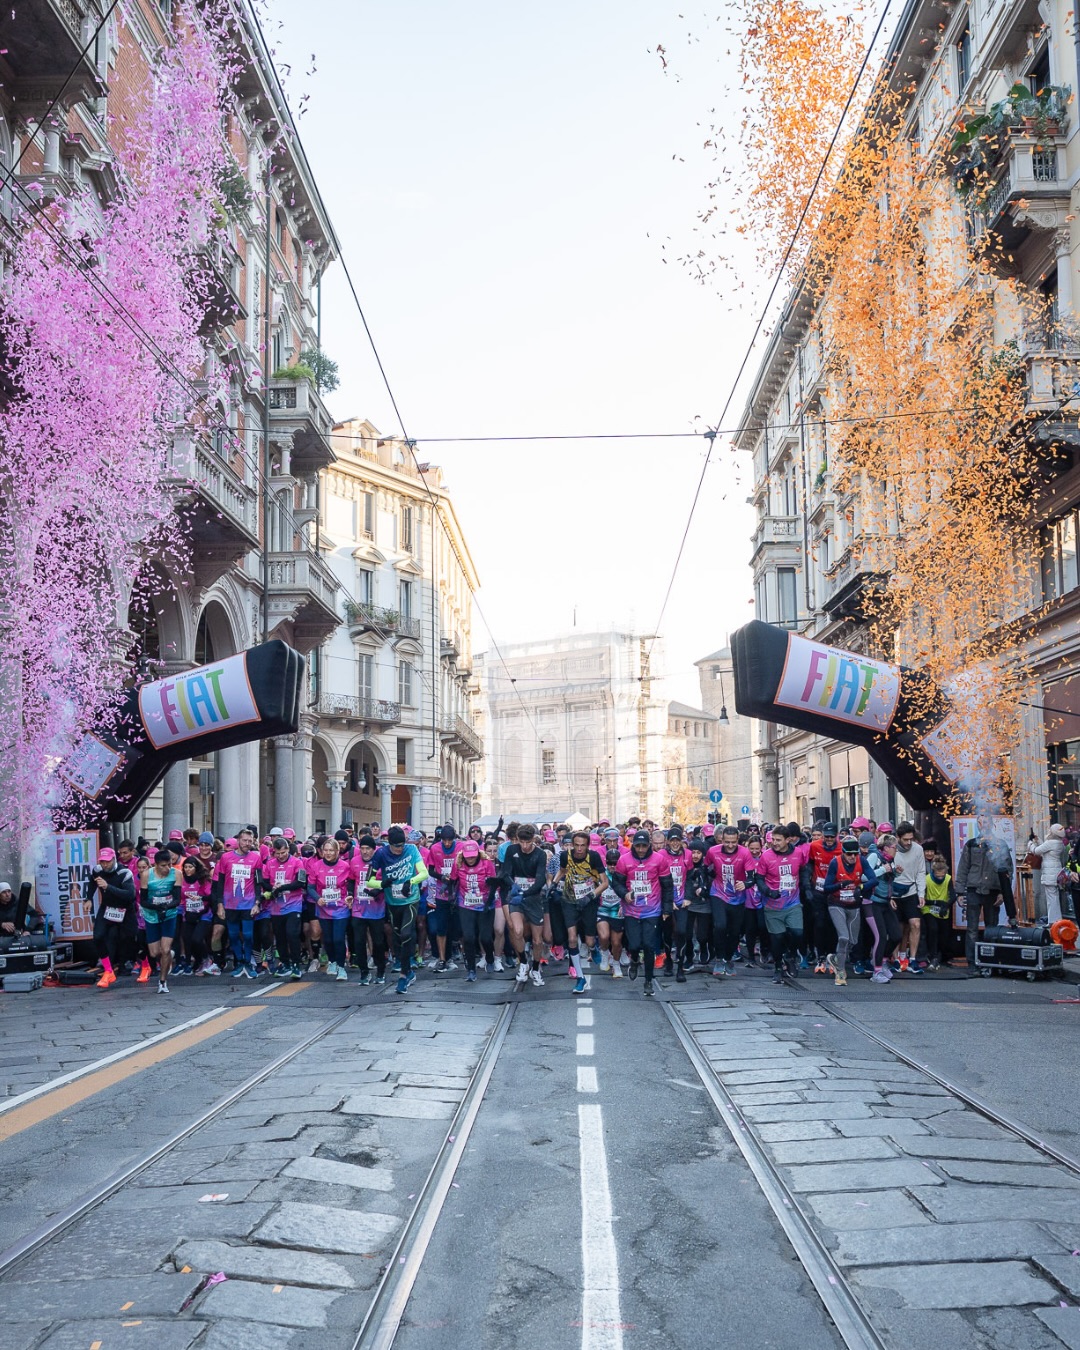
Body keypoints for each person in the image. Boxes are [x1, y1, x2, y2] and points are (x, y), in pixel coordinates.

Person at [368, 826, 430, 995]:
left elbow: (424, 873)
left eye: (402, 845)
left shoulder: (411, 850)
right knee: (398, 938)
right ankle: (408, 970)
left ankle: (403, 976)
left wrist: (410, 882)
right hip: (393, 902)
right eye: (396, 846)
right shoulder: (381, 854)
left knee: (406, 933)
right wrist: (382, 883)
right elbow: (369, 881)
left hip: (410, 899)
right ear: (389, 843)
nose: (399, 849)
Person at [612, 829, 673, 996]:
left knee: (648, 946)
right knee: (634, 945)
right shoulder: (624, 860)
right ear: (633, 845)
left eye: (644, 846)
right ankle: (634, 960)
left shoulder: (659, 860)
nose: (640, 849)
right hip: (631, 910)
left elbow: (667, 885)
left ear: (649, 845)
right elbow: (616, 883)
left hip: (652, 910)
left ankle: (648, 981)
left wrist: (667, 908)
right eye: (637, 846)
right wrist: (624, 894)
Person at [955, 812, 1011, 976]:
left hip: (993, 891)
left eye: (986, 822)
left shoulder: (1000, 844)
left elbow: (1007, 871)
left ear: (991, 824)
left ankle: (990, 962)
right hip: (973, 890)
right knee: (972, 929)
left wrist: (1003, 893)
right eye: (980, 823)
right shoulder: (971, 844)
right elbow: (963, 868)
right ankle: (973, 964)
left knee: (991, 929)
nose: (983, 825)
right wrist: (960, 892)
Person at [755, 825, 810, 984]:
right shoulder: (766, 856)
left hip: (792, 902)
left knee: (798, 933)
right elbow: (759, 878)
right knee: (777, 938)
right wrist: (768, 891)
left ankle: (790, 956)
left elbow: (804, 870)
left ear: (788, 840)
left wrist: (806, 887)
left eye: (778, 840)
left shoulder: (798, 853)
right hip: (773, 904)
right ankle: (778, 968)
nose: (774, 843)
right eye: (773, 839)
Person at [553, 830, 607, 994]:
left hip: (588, 901)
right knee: (571, 938)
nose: (579, 849)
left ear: (588, 846)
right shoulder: (565, 856)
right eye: (576, 845)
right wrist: (553, 884)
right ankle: (580, 977)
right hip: (569, 900)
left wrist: (591, 896)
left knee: (589, 941)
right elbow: (562, 871)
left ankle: (593, 948)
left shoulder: (594, 857)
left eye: (582, 846)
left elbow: (605, 883)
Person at [821, 836, 875, 986]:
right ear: (843, 853)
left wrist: (861, 887)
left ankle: (836, 958)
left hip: (854, 905)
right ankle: (840, 972)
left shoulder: (861, 861)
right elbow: (826, 888)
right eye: (849, 854)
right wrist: (840, 885)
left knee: (853, 941)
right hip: (836, 904)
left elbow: (873, 879)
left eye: (855, 854)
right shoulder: (835, 863)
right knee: (843, 937)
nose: (852, 857)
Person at [501, 823, 549, 987]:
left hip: (533, 898)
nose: (525, 846)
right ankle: (523, 962)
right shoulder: (511, 850)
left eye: (528, 842)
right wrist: (513, 886)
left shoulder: (540, 854)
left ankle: (535, 968)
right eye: (522, 842)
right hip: (516, 896)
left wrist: (525, 893)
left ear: (533, 840)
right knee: (517, 930)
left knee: (537, 940)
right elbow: (505, 873)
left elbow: (541, 879)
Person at [214, 827, 263, 978]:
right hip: (230, 903)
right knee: (233, 935)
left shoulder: (256, 858)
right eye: (244, 840)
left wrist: (257, 902)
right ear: (238, 840)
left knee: (248, 935)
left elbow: (258, 882)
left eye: (250, 841)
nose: (247, 843)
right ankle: (239, 962)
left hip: (248, 903)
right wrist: (220, 904)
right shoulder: (226, 858)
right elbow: (220, 883)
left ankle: (248, 962)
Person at [705, 826, 753, 977]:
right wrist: (705, 882)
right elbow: (705, 868)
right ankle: (719, 958)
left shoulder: (745, 853)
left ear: (738, 840)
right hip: (718, 893)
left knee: (734, 931)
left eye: (733, 842)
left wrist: (745, 884)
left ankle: (728, 958)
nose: (730, 845)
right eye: (727, 842)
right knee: (720, 926)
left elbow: (752, 877)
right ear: (721, 840)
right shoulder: (713, 851)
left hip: (738, 896)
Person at [452, 838, 498, 981]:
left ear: (478, 853)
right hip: (466, 904)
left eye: (473, 856)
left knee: (485, 937)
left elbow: (494, 884)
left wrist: (489, 902)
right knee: (468, 937)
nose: (470, 859)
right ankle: (471, 969)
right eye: (468, 857)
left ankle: (490, 957)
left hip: (485, 904)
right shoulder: (458, 863)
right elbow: (453, 880)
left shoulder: (487, 863)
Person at [89, 850, 136, 989]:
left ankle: (143, 964)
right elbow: (92, 882)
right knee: (98, 936)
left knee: (131, 938)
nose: (105, 864)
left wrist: (108, 887)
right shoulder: (97, 870)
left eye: (107, 861)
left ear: (114, 859)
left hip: (125, 909)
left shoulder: (124, 873)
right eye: (102, 861)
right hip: (107, 907)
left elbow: (130, 895)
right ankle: (108, 970)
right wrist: (88, 899)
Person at [311, 836, 354, 981]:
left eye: (331, 850)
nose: (328, 853)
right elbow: (310, 887)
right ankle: (333, 961)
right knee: (328, 940)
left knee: (338, 939)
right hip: (324, 908)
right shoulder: (316, 866)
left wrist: (349, 895)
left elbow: (351, 883)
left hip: (340, 908)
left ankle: (341, 967)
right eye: (326, 850)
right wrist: (317, 898)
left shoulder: (345, 866)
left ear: (337, 851)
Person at [264, 836, 306, 979]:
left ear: (288, 849)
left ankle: (296, 965)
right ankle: (285, 964)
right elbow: (264, 883)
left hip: (293, 904)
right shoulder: (270, 864)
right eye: (278, 853)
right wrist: (272, 888)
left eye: (283, 853)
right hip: (276, 907)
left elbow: (300, 882)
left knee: (292, 934)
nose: (281, 856)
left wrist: (282, 887)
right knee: (280, 936)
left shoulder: (297, 862)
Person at [350, 835, 386, 985]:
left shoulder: (381, 862)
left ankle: (380, 970)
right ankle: (364, 972)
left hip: (376, 909)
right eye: (362, 848)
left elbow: (387, 882)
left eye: (368, 849)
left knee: (378, 942)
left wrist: (377, 891)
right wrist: (350, 894)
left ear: (374, 849)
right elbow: (351, 880)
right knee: (359, 941)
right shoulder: (354, 861)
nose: (365, 852)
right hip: (358, 908)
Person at [142, 848, 180, 993]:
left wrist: (166, 907)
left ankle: (162, 982)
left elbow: (177, 899)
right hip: (151, 915)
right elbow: (143, 900)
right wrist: (156, 908)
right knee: (154, 953)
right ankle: (168, 957)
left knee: (165, 949)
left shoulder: (176, 874)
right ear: (156, 865)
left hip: (169, 914)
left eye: (169, 864)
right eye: (163, 866)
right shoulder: (147, 875)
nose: (167, 868)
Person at [426, 825, 463, 972]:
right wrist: (441, 877)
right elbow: (430, 870)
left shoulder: (460, 847)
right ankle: (442, 959)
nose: (447, 843)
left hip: (458, 891)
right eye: (444, 840)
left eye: (450, 840)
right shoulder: (435, 848)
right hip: (441, 893)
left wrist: (455, 879)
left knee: (455, 928)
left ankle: (453, 955)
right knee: (441, 928)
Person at [805, 823, 841, 975]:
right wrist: (808, 887)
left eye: (832, 837)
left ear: (836, 836)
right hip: (818, 891)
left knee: (832, 925)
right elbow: (809, 866)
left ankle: (831, 956)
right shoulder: (814, 846)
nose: (829, 840)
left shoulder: (841, 848)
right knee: (819, 924)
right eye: (826, 837)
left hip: (834, 892)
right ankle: (820, 957)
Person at [892, 822, 927, 973]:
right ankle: (896, 959)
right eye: (905, 839)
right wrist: (889, 896)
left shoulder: (918, 849)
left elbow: (921, 872)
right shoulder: (891, 849)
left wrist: (921, 893)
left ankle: (912, 959)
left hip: (911, 891)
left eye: (911, 839)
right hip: (894, 891)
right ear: (898, 837)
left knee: (915, 924)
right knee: (897, 928)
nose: (908, 843)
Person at [176, 856, 213, 976]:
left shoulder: (203, 880)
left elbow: (211, 896)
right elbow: (181, 898)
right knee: (187, 939)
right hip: (189, 914)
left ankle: (206, 959)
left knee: (197, 939)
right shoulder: (182, 880)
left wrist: (200, 898)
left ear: (196, 868)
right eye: (185, 867)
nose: (187, 869)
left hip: (204, 914)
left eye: (190, 867)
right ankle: (198, 960)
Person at [921, 855, 955, 971]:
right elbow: (922, 898)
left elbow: (953, 895)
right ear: (933, 872)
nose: (940, 878)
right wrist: (936, 902)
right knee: (933, 929)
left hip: (942, 910)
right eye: (938, 875)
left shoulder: (948, 879)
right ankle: (932, 955)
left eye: (942, 876)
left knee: (944, 935)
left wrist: (946, 905)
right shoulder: (927, 879)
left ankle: (940, 956)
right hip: (929, 908)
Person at [597, 846, 626, 978]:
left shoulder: (624, 873)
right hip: (602, 910)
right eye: (610, 863)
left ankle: (616, 963)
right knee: (604, 936)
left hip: (617, 911)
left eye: (615, 863)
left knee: (616, 942)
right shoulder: (600, 874)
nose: (612, 866)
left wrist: (624, 905)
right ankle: (604, 953)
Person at [1033, 824, 1067, 924]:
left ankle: (1053, 921)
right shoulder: (1059, 843)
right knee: (1054, 897)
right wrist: (1038, 840)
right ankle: (1057, 920)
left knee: (1051, 899)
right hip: (1056, 872)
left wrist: (1030, 843)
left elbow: (1036, 851)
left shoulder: (1050, 843)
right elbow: (1045, 848)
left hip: (1049, 873)